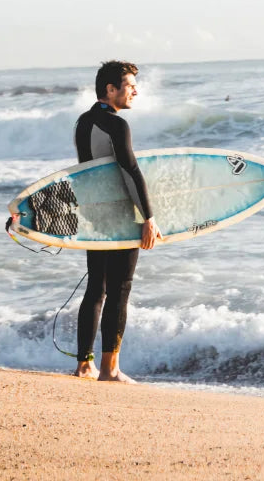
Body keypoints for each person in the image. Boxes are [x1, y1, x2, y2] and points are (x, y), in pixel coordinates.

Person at [72, 60, 162, 383]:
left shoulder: (82, 124)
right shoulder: (117, 125)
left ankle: (84, 365)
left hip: (94, 217)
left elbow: (86, 175)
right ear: (110, 90)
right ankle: (110, 369)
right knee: (120, 288)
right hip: (121, 217)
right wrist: (148, 218)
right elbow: (131, 172)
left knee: (96, 288)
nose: (135, 90)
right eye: (128, 85)